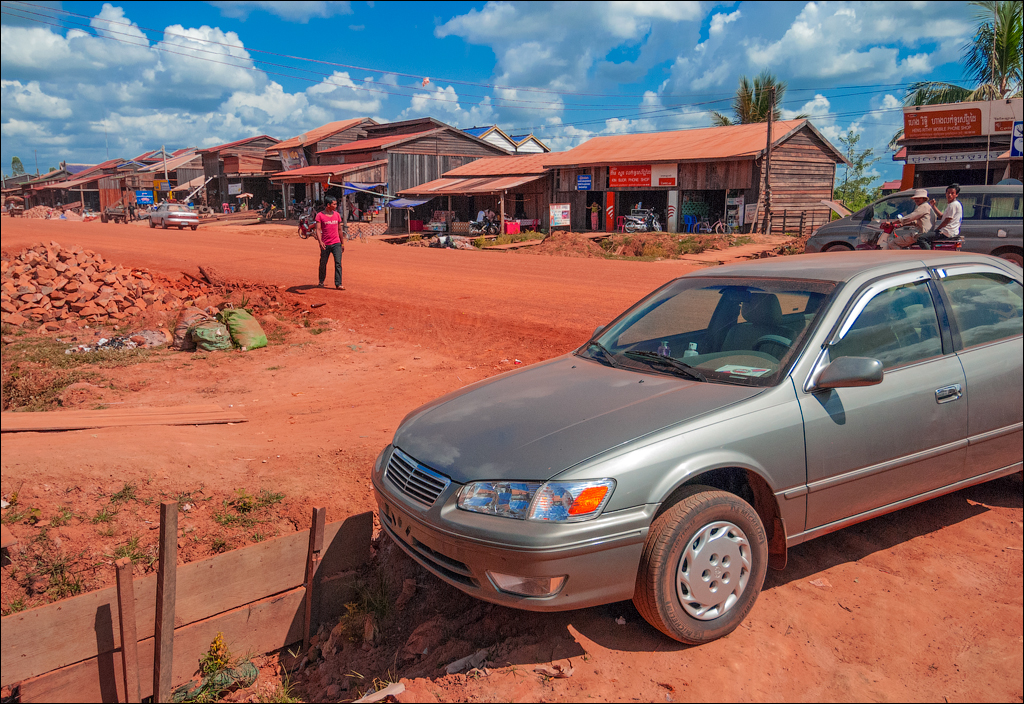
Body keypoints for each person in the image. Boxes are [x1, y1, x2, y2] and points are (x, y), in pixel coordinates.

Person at [315, 196, 345, 290]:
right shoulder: (319, 215)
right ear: (328, 205)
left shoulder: (337, 215)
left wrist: (342, 243)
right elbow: (318, 229)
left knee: (338, 263)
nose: (336, 206)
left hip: (336, 243)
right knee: (323, 263)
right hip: (325, 244)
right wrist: (320, 242)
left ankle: (338, 284)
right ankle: (321, 281)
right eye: (334, 204)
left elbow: (340, 229)